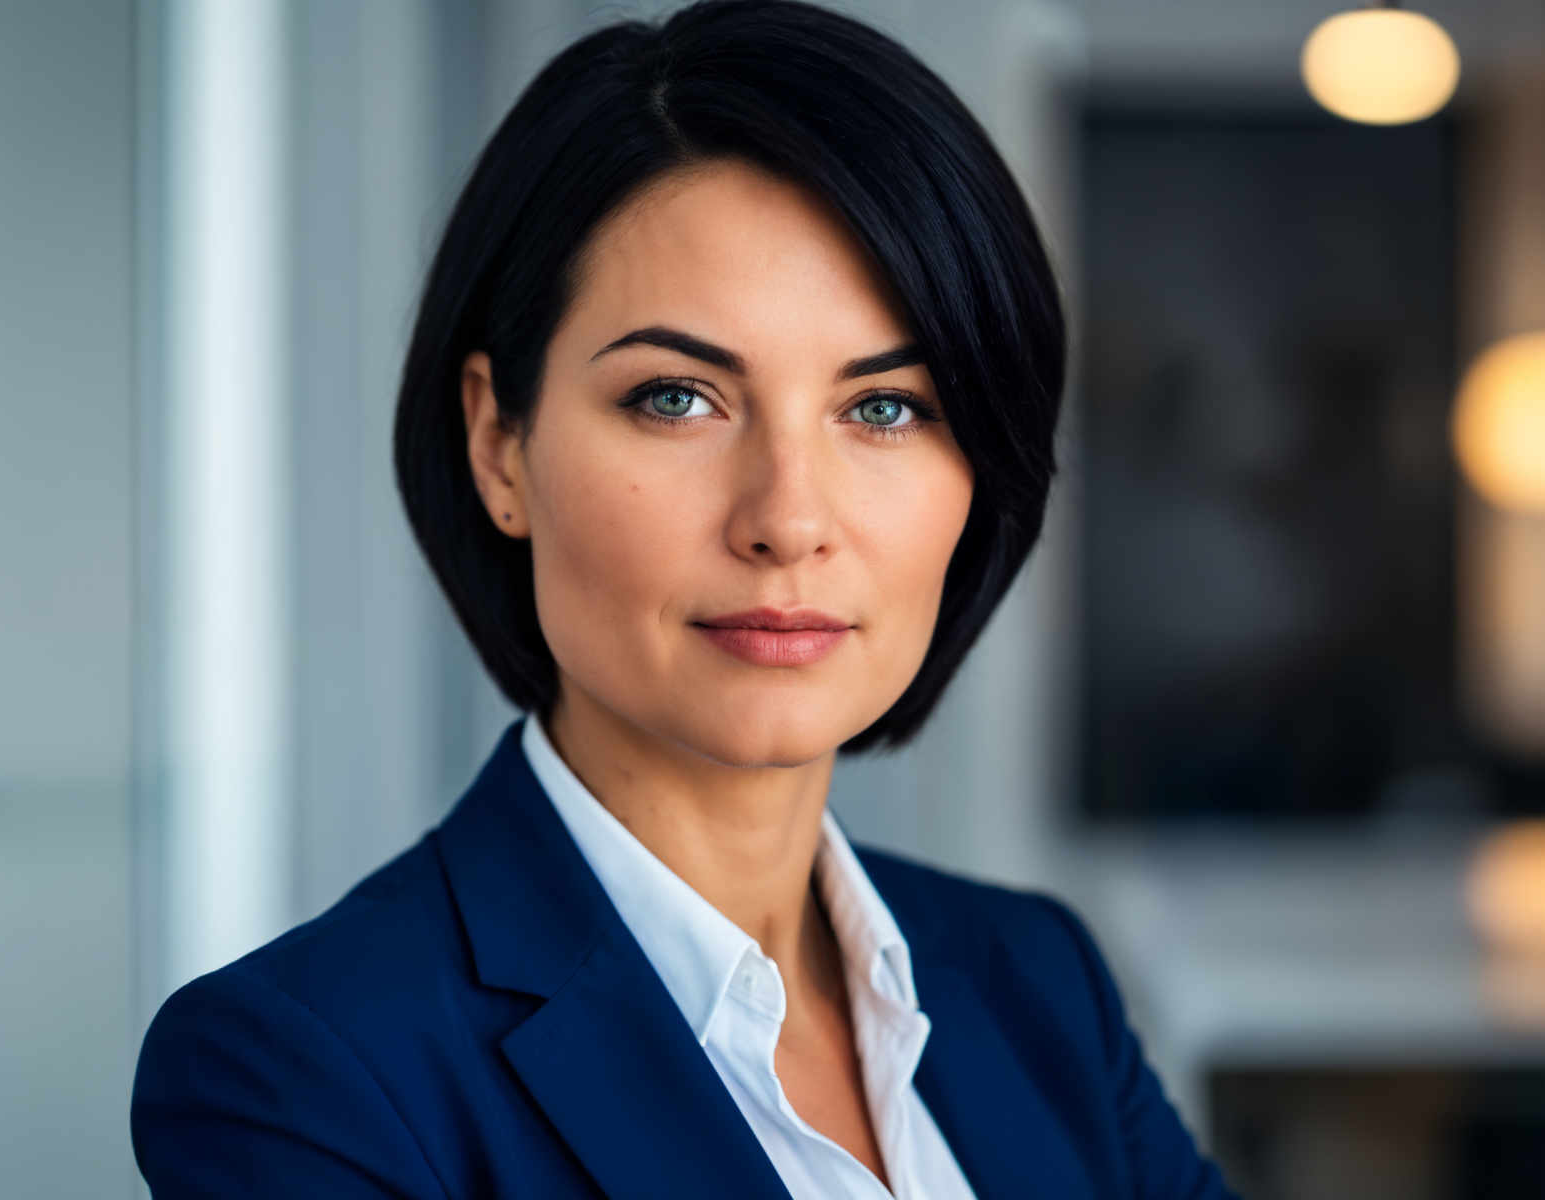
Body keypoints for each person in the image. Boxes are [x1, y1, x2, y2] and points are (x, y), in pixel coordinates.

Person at [131, 2, 1238, 1196]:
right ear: (499, 442)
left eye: (883, 407)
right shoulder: (308, 1074)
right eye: (677, 398)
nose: (788, 519)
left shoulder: (1038, 986)